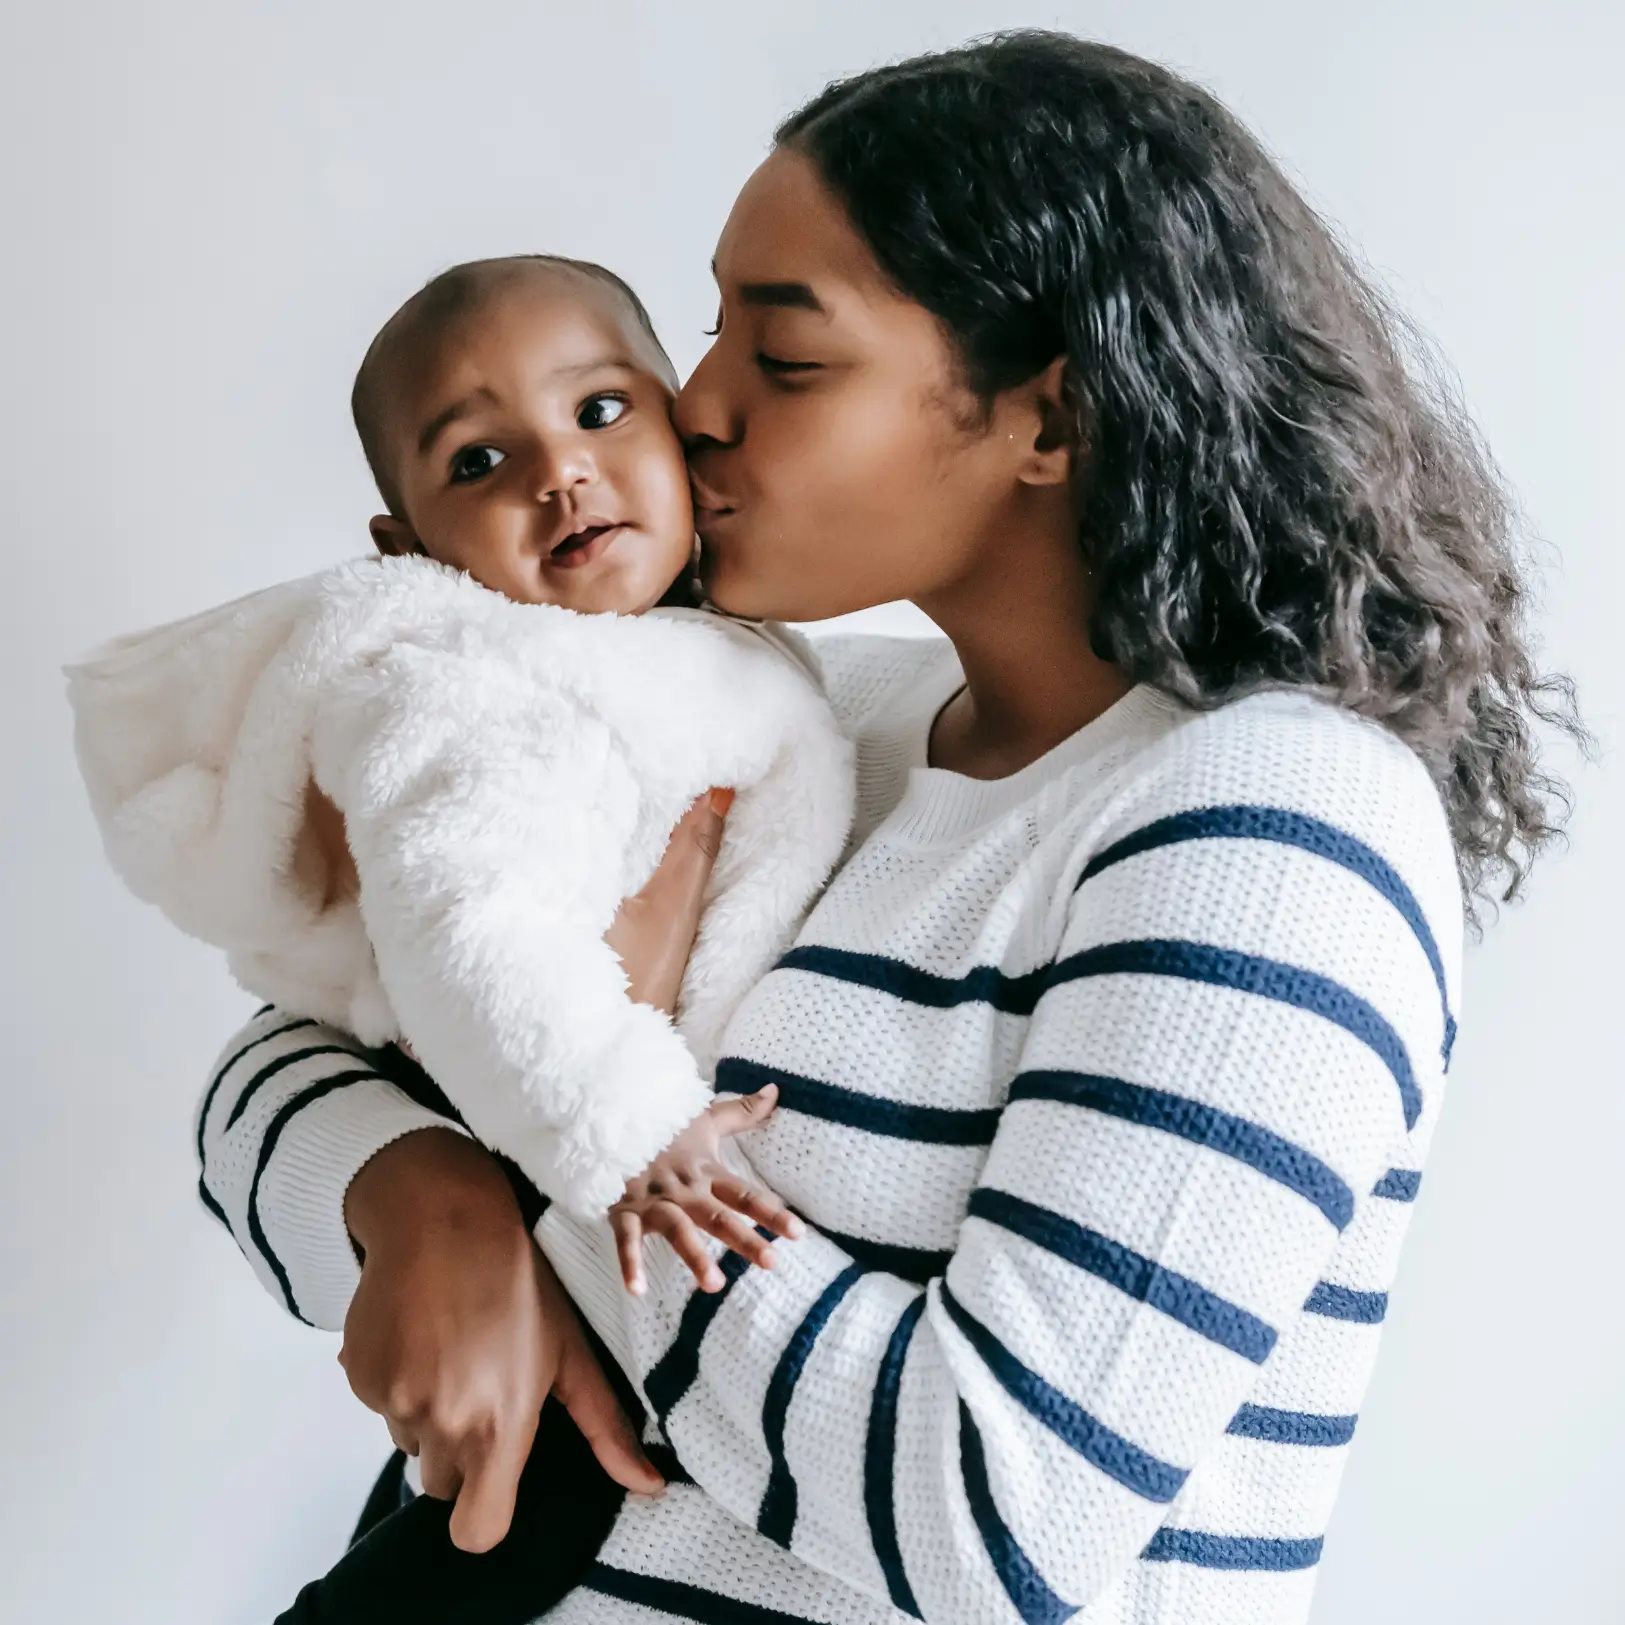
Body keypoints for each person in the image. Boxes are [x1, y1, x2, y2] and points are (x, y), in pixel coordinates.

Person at [197, 31, 1579, 1625]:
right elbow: (291, 1045)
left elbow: (989, 1517)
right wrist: (414, 1195)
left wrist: (588, 1132)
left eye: (783, 360)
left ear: (1048, 423)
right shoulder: (795, 715)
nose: (685, 405)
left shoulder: (1271, 829)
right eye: (707, 326)